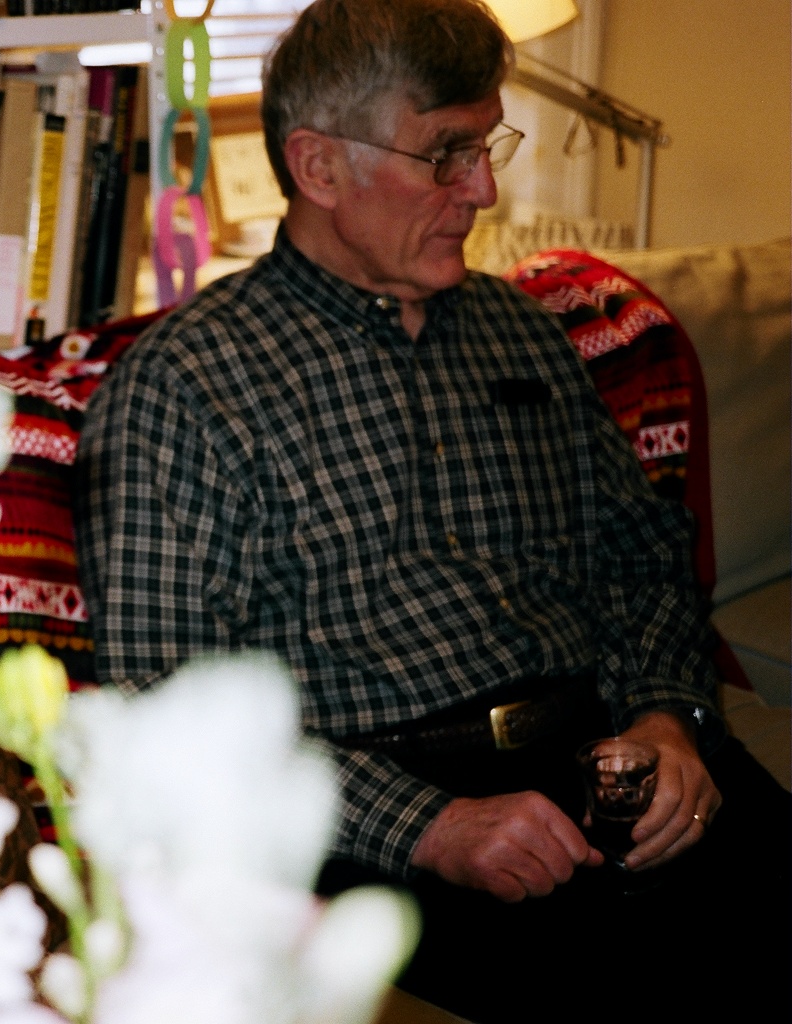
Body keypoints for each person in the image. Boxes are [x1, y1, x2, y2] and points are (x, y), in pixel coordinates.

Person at [72, 1, 790, 1020]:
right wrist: (427, 828)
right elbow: (162, 699)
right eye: (446, 154)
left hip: (605, 757)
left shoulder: (518, 332)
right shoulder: (183, 389)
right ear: (319, 167)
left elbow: (641, 554)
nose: (483, 189)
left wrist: (668, 718)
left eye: (486, 146)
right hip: (382, 823)